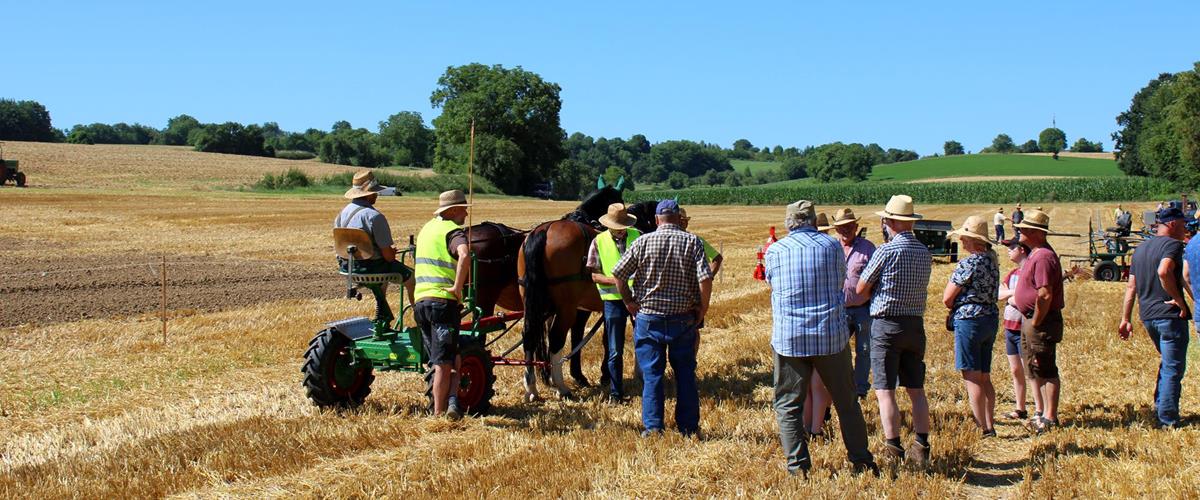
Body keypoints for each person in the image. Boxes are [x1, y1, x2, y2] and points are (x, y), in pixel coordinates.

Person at [765, 200, 878, 477]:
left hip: (790, 337)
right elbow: (841, 281)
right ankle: (861, 461)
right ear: (814, 221)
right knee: (846, 401)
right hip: (829, 335)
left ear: (789, 223)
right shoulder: (831, 247)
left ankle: (798, 467)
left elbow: (771, 282)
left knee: (788, 405)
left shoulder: (775, 250)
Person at [612, 200, 713, 437]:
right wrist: (702, 308)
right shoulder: (693, 242)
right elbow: (705, 279)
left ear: (657, 220)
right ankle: (688, 427)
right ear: (679, 218)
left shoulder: (641, 241)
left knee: (652, 375)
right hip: (683, 318)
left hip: (648, 318)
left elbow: (618, 274)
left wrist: (628, 301)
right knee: (685, 375)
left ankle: (653, 427)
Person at [856, 194, 933, 464]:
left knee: (885, 390)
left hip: (887, 324)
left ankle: (893, 448)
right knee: (916, 389)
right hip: (915, 325)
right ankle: (922, 445)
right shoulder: (924, 252)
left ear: (889, 221)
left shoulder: (886, 251)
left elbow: (861, 289)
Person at [1118, 207, 1193, 428]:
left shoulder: (1140, 250)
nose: (1185, 229)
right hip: (1169, 315)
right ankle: (1167, 419)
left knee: (1167, 363)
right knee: (1173, 367)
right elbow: (1164, 271)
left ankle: (1160, 406)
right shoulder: (1173, 245)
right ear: (1171, 224)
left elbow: (1131, 287)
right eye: (1182, 224)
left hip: (1148, 316)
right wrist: (1179, 300)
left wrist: (1125, 318)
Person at [413, 190, 473, 420]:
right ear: (453, 210)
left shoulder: (426, 229)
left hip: (421, 303)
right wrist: (458, 288)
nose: (466, 213)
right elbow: (465, 255)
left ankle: (452, 403)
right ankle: (438, 416)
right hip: (442, 304)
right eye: (464, 208)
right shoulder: (452, 231)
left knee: (449, 356)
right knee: (443, 363)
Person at [943, 216, 1001, 437]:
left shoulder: (968, 263)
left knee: (971, 376)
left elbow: (947, 298)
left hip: (969, 320)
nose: (962, 242)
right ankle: (990, 423)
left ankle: (982, 427)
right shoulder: (992, 261)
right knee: (985, 376)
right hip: (990, 318)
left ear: (972, 240)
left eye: (964, 238)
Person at [1012, 209, 1065, 433]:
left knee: (1045, 366)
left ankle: (1050, 416)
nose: (1019, 231)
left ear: (1036, 232)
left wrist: (1036, 320)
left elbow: (1045, 294)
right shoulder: (1036, 253)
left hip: (1040, 320)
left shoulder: (1043, 256)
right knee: (1034, 366)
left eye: (1024, 228)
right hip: (1032, 318)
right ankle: (1043, 413)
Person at [334, 171, 415, 306]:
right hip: (373, 268)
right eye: (375, 192)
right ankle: (421, 321)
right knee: (413, 279)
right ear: (369, 194)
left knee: (382, 280)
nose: (377, 194)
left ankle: (382, 313)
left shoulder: (341, 214)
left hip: (348, 267)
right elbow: (388, 257)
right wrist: (391, 252)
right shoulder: (374, 216)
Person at [587, 203, 641, 401]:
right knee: (615, 350)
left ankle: (646, 385)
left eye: (622, 227)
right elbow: (594, 275)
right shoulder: (598, 241)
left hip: (638, 299)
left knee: (645, 344)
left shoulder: (638, 237)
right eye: (616, 227)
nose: (620, 231)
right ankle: (616, 393)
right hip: (613, 301)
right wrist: (617, 281)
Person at [833, 208, 876, 398]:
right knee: (839, 352)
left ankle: (860, 390)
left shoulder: (868, 248)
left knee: (864, 351)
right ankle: (841, 387)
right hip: (838, 310)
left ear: (856, 227)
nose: (845, 230)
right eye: (841, 227)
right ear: (836, 229)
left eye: (849, 226)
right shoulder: (831, 247)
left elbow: (877, 278)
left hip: (863, 309)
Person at [998, 240, 1041, 421]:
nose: (1008, 251)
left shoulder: (1030, 274)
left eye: (1011, 248)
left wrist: (1012, 297)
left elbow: (1026, 301)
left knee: (1030, 370)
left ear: (1021, 250)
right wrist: (1013, 294)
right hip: (1010, 328)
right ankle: (1020, 408)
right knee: (1016, 370)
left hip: (1024, 329)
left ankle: (1039, 410)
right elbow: (999, 295)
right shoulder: (1012, 274)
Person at [680, 207, 723, 276]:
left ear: (685, 223)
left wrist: (709, 278)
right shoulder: (697, 240)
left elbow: (718, 258)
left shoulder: (697, 240)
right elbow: (718, 258)